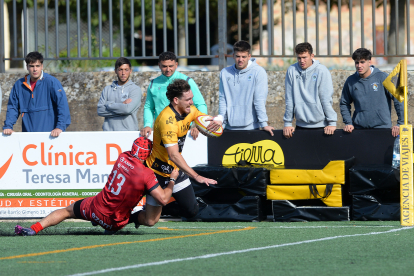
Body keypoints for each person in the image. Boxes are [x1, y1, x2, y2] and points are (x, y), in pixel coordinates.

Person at [14, 137, 179, 236]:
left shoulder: (122, 156)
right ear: (147, 155)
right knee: (151, 219)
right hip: (114, 222)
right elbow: (163, 198)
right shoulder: (146, 174)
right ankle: (132, 220)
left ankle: (33, 229)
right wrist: (172, 179)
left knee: (66, 211)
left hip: (95, 208)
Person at [137, 79, 219, 228]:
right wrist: (196, 176)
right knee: (150, 221)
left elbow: (209, 120)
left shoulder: (191, 110)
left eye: (192, 98)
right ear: (176, 100)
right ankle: (133, 217)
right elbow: (174, 155)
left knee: (191, 211)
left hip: (174, 170)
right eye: (188, 99)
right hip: (156, 172)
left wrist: (218, 121)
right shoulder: (166, 120)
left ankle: (162, 207)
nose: (192, 102)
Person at [140, 51, 207, 140]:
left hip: (184, 132)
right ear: (159, 65)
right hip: (160, 131)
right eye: (164, 66)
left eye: (171, 66)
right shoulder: (153, 84)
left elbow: (200, 104)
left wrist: (199, 126)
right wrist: (147, 125)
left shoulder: (187, 81)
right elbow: (149, 107)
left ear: (176, 65)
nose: (168, 69)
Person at [3, 51, 71, 137]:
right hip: (28, 138)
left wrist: (60, 127)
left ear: (42, 66)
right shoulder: (19, 85)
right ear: (27, 67)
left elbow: (62, 106)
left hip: (51, 137)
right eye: (31, 66)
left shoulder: (52, 82)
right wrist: (8, 126)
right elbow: (13, 107)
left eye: (37, 66)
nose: (35, 69)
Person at [340, 48, 403, 137]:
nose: (359, 65)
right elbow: (344, 103)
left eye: (362, 62)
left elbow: (399, 99)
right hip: (359, 130)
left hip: (382, 129)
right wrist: (348, 122)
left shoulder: (383, 77)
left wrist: (400, 123)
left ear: (369, 62)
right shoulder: (350, 81)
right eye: (356, 62)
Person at [217, 40, 274, 136]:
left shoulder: (258, 72)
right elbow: (223, 99)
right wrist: (221, 121)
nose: (240, 60)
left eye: (244, 57)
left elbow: (259, 100)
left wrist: (264, 124)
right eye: (238, 56)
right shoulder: (224, 73)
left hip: (251, 128)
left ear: (249, 56)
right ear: (233, 56)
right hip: (228, 128)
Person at [283, 42, 337, 138]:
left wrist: (332, 122)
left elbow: (326, 98)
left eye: (304, 57)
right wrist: (287, 123)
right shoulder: (291, 70)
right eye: (299, 58)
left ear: (312, 56)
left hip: (321, 126)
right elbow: (289, 99)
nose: (301, 60)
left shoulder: (322, 71)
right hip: (300, 125)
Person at [97, 57, 142, 131]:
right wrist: (122, 105)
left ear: (130, 71)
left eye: (126, 70)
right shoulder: (107, 89)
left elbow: (127, 110)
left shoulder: (135, 89)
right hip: (109, 133)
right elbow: (100, 110)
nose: (123, 73)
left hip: (128, 133)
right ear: (115, 71)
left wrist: (108, 104)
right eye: (120, 69)